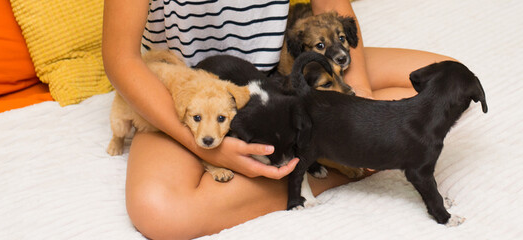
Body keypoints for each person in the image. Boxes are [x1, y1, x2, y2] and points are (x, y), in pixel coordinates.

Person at [102, 0, 456, 238]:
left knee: (451, 83)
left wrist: (357, 93)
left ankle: (316, 158)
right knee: (158, 210)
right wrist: (210, 149)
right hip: (190, 87)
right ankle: (311, 168)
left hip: (284, 68)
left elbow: (330, 6)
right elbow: (121, 59)